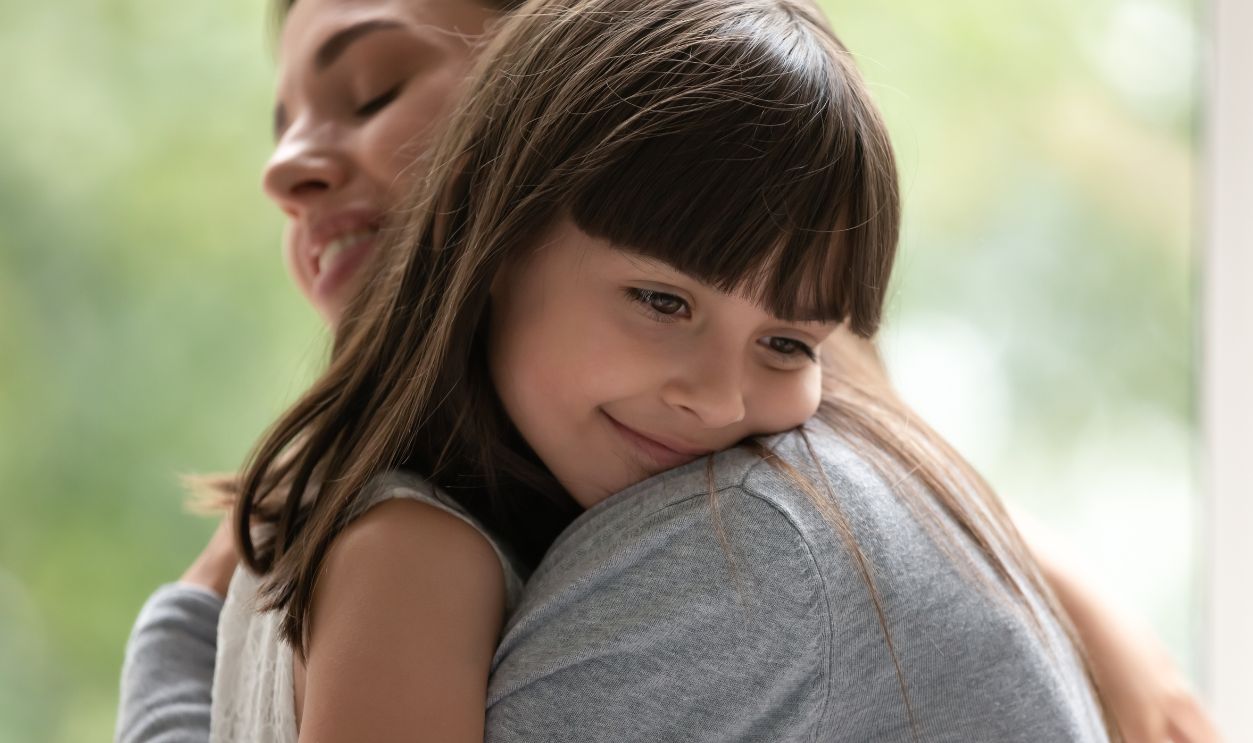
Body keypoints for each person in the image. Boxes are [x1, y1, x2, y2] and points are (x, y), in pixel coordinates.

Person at [114, 0, 1223, 741]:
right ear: (494, 228)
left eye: (370, 90)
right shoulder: (413, 541)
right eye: (659, 302)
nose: (287, 168)